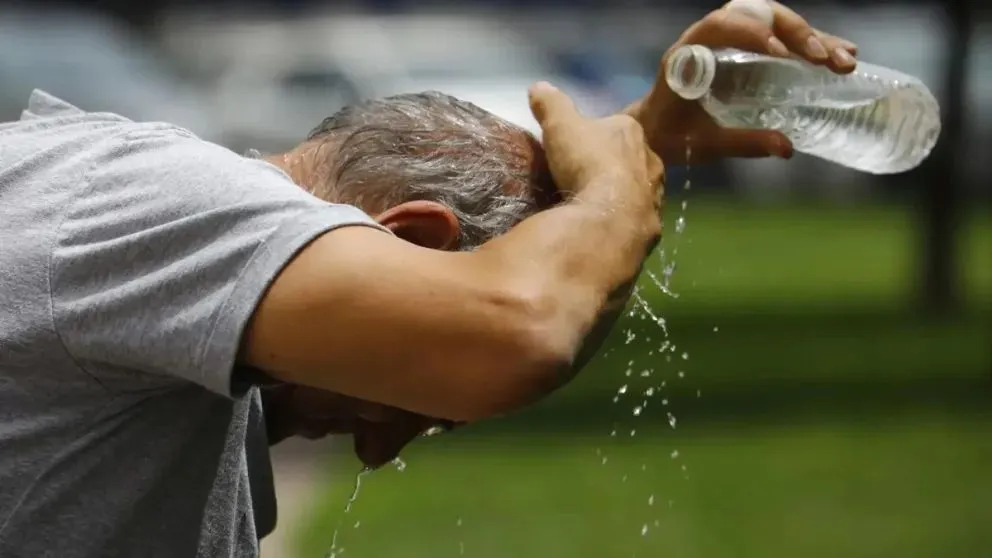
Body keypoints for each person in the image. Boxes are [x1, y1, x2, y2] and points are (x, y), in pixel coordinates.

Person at [0, 2, 856, 556]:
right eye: (416, 399)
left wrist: (637, 139)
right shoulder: (158, 197)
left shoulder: (162, 299)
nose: (378, 447)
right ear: (410, 238)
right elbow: (514, 333)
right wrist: (613, 189)